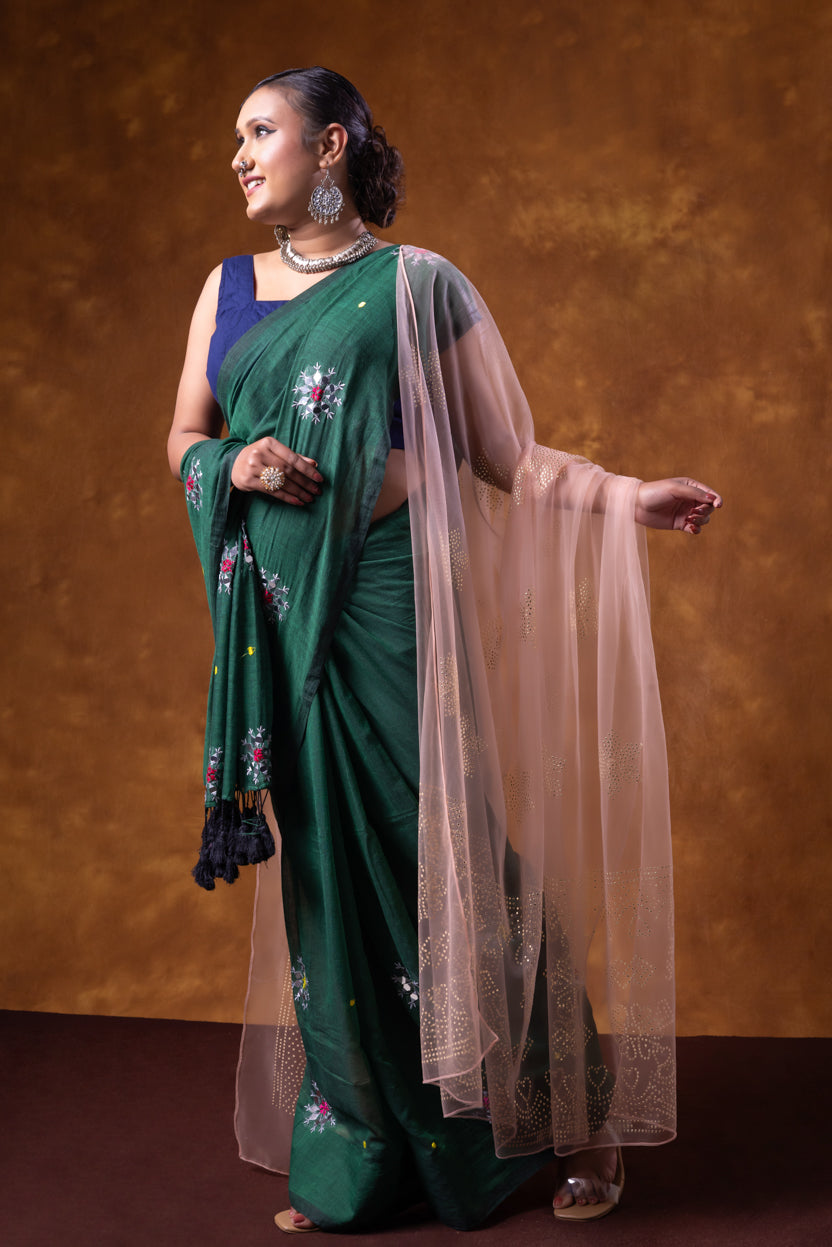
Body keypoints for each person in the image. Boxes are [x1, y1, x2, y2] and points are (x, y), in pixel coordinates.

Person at [167, 67, 721, 1234]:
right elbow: (186, 436)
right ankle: (364, 1148)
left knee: (450, 854)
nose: (237, 153)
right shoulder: (224, 293)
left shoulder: (420, 285)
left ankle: (572, 1111)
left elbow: (507, 458)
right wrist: (240, 463)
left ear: (330, 147)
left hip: (386, 604)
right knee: (322, 874)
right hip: (278, 620)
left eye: (259, 131)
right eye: (235, 135)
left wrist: (629, 497)